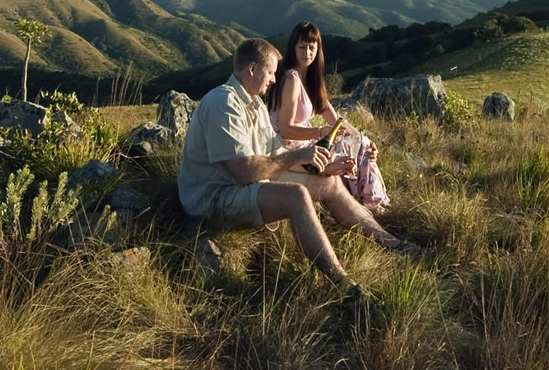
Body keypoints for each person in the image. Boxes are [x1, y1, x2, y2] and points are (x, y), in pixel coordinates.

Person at [177, 38, 418, 294]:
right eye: (270, 72)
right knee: (296, 196)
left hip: (245, 184)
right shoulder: (222, 104)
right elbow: (244, 171)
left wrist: (323, 166)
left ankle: (394, 244)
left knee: (331, 184)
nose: (273, 80)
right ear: (252, 69)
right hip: (213, 197)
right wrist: (297, 156)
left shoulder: (254, 104)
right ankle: (343, 285)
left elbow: (275, 153)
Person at [269, 21, 389, 211]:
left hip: (304, 144)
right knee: (348, 153)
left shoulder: (311, 79)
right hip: (288, 149)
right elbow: (285, 130)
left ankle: (368, 201)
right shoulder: (290, 79)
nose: (307, 53)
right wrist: (319, 133)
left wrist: (362, 138)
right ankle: (371, 203)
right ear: (292, 48)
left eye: (311, 47)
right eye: (301, 47)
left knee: (361, 147)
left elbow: (337, 121)